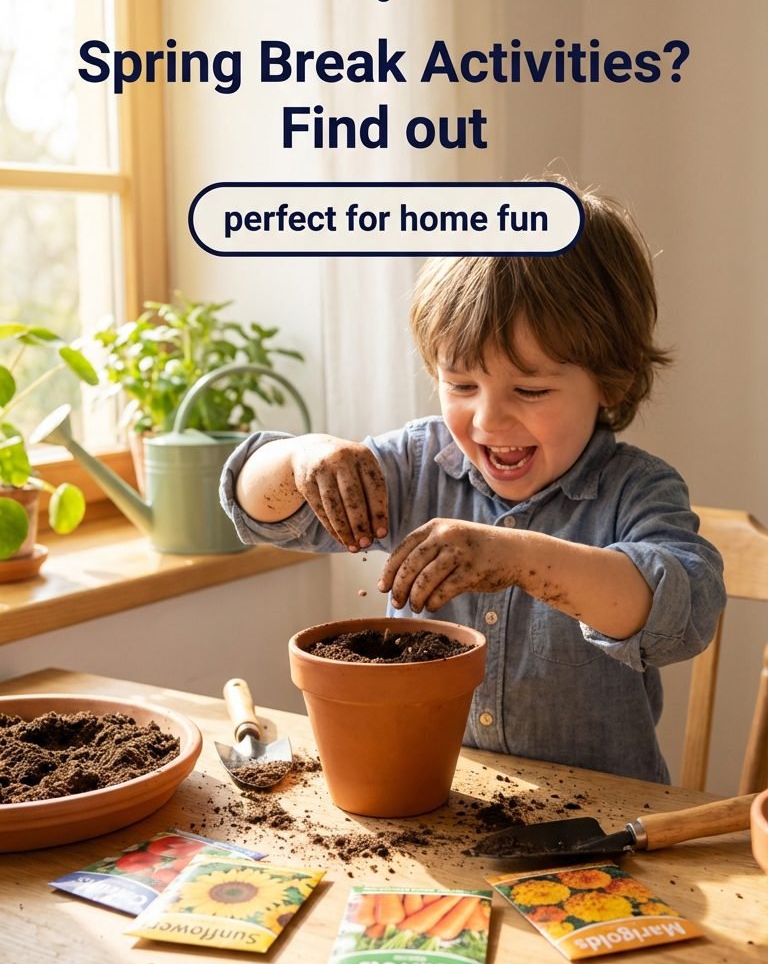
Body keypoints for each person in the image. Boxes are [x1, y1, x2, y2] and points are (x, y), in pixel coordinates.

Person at [220, 182, 725, 782]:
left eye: (531, 390)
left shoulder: (636, 492)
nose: (487, 421)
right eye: (461, 385)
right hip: (431, 803)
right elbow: (258, 509)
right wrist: (302, 456)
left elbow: (682, 612)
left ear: (610, 381)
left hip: (600, 828)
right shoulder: (414, 464)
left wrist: (518, 558)